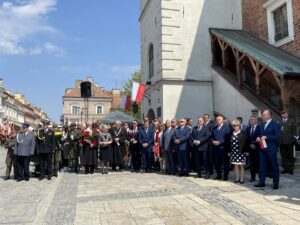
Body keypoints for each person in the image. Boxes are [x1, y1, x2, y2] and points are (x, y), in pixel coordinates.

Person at [255, 109, 281, 190]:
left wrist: (267, 137)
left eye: (264, 115)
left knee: (274, 165)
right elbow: (260, 135)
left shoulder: (274, 124)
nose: (262, 116)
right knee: (262, 165)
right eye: (262, 115)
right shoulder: (262, 124)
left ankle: (275, 182)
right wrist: (258, 138)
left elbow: (277, 136)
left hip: (271, 148)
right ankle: (262, 182)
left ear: (269, 115)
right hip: (262, 148)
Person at [211, 115, 232, 181]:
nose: (218, 120)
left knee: (225, 163)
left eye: (219, 119)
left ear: (222, 120)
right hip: (215, 148)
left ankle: (225, 176)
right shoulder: (214, 128)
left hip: (223, 148)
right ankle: (219, 175)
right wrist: (213, 141)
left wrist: (220, 142)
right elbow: (211, 137)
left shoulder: (227, 127)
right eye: (217, 119)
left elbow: (228, 137)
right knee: (217, 163)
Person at [229, 120, 248, 184]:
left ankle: (242, 178)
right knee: (236, 165)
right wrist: (229, 151)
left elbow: (246, 142)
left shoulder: (243, 133)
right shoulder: (231, 133)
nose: (235, 127)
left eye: (237, 125)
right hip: (234, 152)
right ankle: (237, 177)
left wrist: (246, 151)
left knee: (241, 165)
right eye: (234, 125)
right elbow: (229, 143)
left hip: (241, 152)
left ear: (239, 126)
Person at [278, 111, 296, 175]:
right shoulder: (279, 122)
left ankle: (291, 169)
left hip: (289, 141)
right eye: (283, 114)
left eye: (285, 113)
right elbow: (277, 131)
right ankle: (285, 168)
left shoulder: (292, 121)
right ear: (281, 115)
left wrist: (294, 140)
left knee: (290, 156)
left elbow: (294, 131)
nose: (284, 115)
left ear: (287, 114)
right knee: (283, 156)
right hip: (281, 141)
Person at [246, 116, 261, 182]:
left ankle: (261, 178)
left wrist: (255, 145)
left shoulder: (260, 128)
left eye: (253, 119)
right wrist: (249, 145)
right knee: (251, 164)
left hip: (258, 149)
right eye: (250, 119)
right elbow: (246, 139)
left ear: (256, 120)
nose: (251, 121)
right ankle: (253, 177)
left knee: (259, 164)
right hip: (250, 149)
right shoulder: (248, 129)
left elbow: (261, 137)